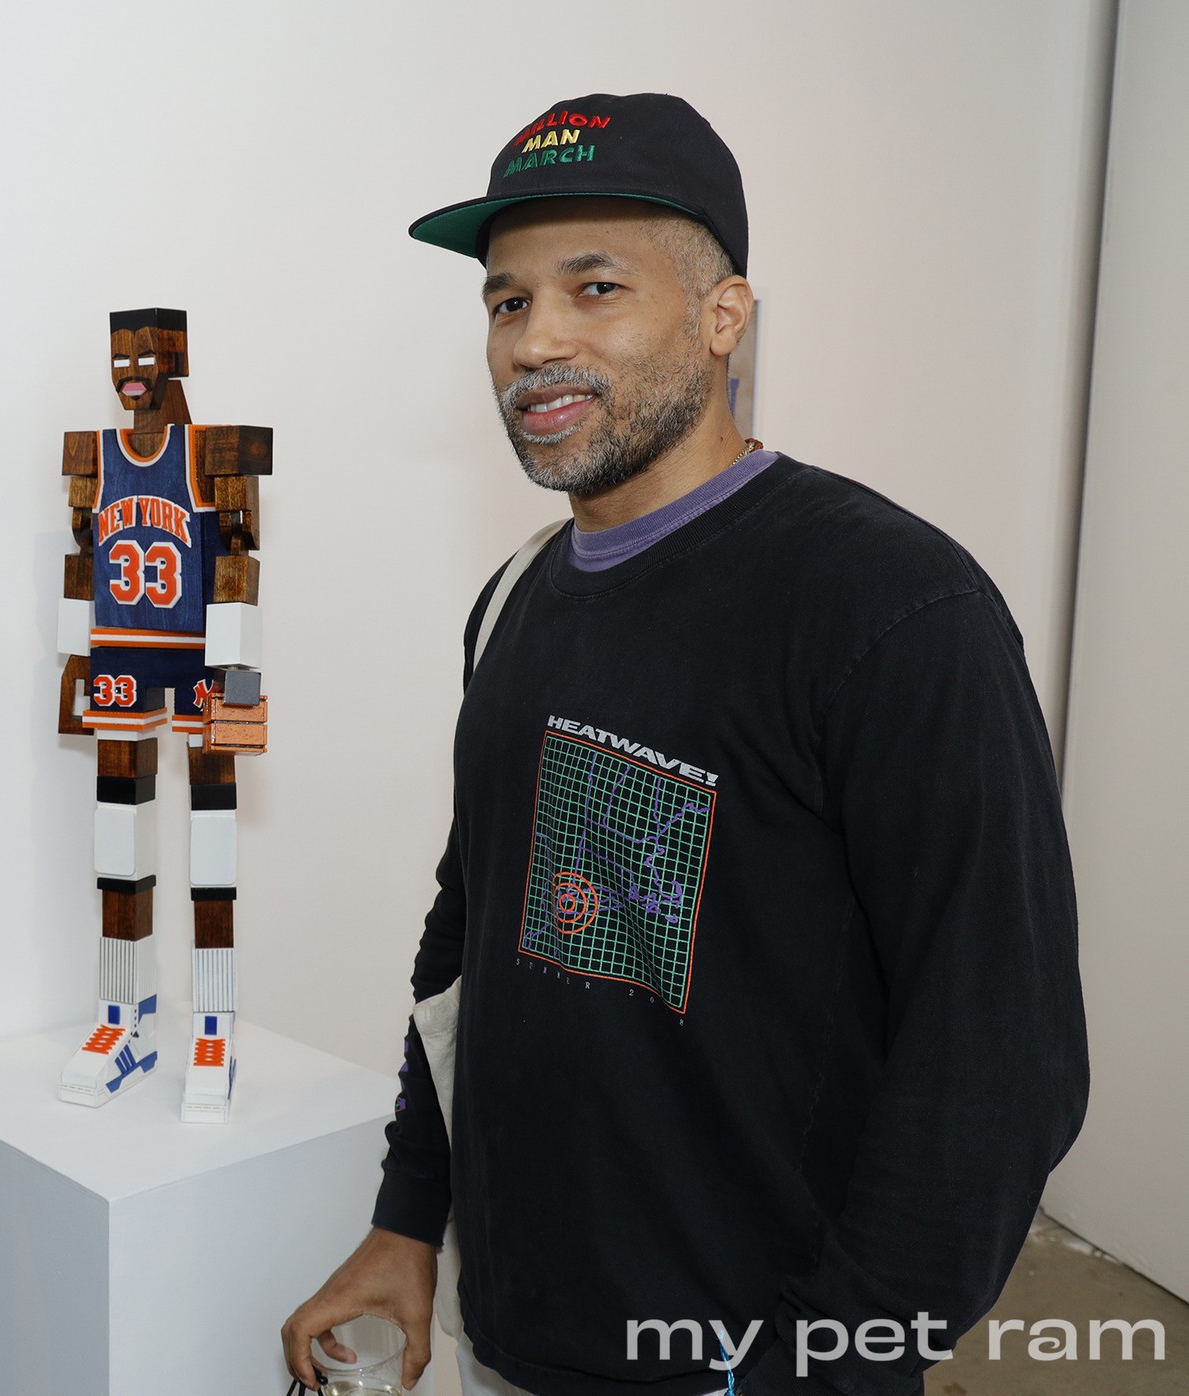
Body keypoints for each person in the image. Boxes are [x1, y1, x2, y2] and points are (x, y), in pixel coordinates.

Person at [283, 92, 1087, 1396]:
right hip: (516, 1335)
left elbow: (999, 1064)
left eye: (594, 287)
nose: (534, 340)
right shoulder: (516, 596)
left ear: (724, 317)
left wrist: (819, 1366)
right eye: (505, 301)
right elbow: (471, 932)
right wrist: (407, 1217)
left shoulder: (891, 609)